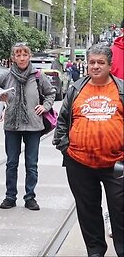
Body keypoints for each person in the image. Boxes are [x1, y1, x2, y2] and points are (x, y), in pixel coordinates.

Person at [53, 43, 123, 257]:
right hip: (79, 163)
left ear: (110, 65)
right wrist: (65, 147)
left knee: (120, 211)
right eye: (92, 62)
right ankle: (95, 251)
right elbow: (62, 120)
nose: (95, 66)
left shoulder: (121, 90)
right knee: (88, 211)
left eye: (100, 62)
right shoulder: (76, 88)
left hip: (117, 164)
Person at [0, 42, 55, 211]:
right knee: (11, 162)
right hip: (12, 124)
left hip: (33, 125)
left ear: (30, 56)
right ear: (13, 58)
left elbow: (50, 93)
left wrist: (45, 106)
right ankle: (10, 196)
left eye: (24, 54)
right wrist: (0, 96)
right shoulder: (6, 75)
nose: (21, 58)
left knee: (31, 163)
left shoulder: (38, 76)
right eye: (18, 55)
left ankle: (30, 197)